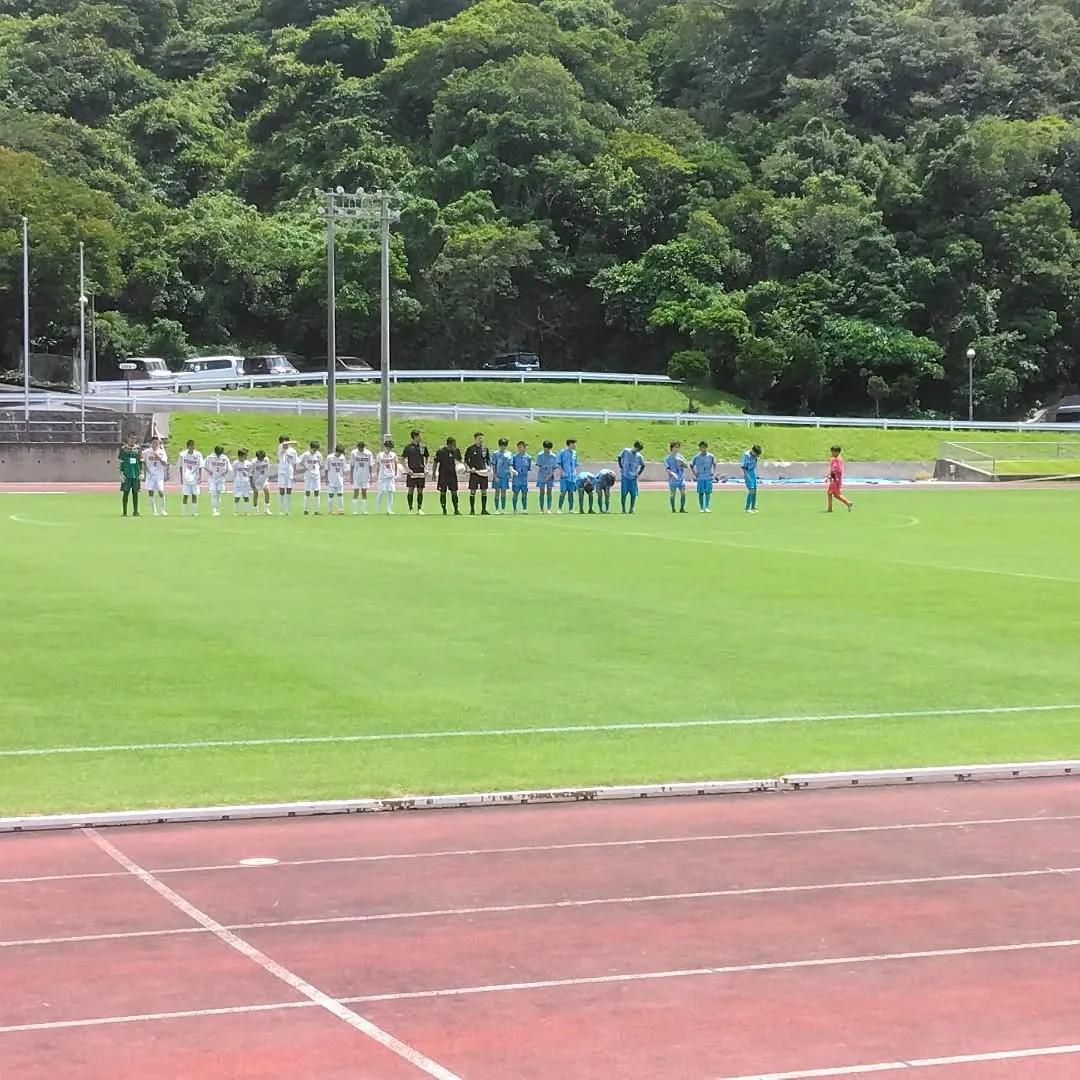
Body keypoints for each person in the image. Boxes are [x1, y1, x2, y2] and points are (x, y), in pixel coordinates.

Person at [433, 436, 462, 515]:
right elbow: (435, 462)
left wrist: (462, 467)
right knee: (443, 492)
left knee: (454, 492)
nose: (455, 446)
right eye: (454, 444)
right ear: (449, 444)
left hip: (453, 475)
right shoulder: (441, 451)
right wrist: (433, 474)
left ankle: (456, 510)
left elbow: (459, 460)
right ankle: (444, 510)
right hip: (443, 475)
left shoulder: (456, 451)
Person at [402, 429, 429, 515]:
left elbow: (427, 457)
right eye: (420, 436)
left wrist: (426, 467)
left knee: (420, 490)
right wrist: (407, 469)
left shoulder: (423, 447)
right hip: (412, 472)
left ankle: (419, 508)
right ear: (415, 437)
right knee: (411, 489)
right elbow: (402, 459)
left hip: (421, 471)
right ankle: (410, 508)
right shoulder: (408, 447)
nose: (421, 437)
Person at [464, 431, 491, 516]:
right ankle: (472, 510)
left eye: (482, 438)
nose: (481, 440)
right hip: (474, 473)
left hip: (483, 472)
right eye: (479, 438)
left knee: (484, 491)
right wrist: (470, 467)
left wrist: (488, 466)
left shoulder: (485, 449)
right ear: (475, 439)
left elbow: (488, 459)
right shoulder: (471, 449)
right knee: (473, 491)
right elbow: (466, 459)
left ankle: (484, 509)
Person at [142, 436, 169, 517]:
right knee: (151, 492)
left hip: (159, 475)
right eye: (154, 442)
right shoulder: (147, 452)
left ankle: (163, 510)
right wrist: (145, 471)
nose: (155, 444)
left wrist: (159, 458)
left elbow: (165, 464)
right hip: (150, 475)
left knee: (161, 492)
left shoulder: (162, 452)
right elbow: (142, 460)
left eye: (157, 442)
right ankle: (154, 511)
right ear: (151, 443)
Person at [617, 440, 645, 514]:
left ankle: (631, 509)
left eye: (639, 450)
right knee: (624, 493)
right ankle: (623, 509)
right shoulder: (626, 451)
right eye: (637, 449)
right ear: (634, 446)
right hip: (625, 475)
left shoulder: (639, 456)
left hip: (633, 477)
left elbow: (643, 465)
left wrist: (638, 473)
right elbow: (619, 457)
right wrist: (620, 466)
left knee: (633, 493)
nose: (637, 451)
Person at [178, 439, 205, 516]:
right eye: (190, 447)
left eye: (193, 446)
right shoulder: (182, 455)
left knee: (194, 495)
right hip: (186, 478)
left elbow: (200, 467)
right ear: (187, 447)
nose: (192, 448)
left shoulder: (198, 455)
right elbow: (180, 466)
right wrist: (181, 477)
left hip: (195, 478)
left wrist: (200, 477)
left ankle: (194, 512)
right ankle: (183, 512)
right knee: (185, 495)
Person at [118, 433, 142, 518]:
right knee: (125, 493)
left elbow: (140, 462)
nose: (133, 440)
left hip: (135, 474)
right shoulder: (123, 449)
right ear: (128, 438)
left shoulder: (138, 449)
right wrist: (121, 473)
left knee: (135, 493)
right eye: (131, 438)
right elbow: (121, 462)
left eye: (134, 439)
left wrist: (141, 472)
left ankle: (135, 511)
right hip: (127, 474)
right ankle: (124, 512)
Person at [691, 440, 717, 513]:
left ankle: (707, 507)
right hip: (700, 477)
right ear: (700, 448)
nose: (703, 449)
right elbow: (691, 465)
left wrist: (713, 472)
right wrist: (695, 473)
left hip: (708, 477)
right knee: (701, 492)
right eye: (702, 447)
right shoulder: (696, 457)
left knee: (708, 492)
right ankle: (702, 507)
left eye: (704, 447)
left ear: (706, 448)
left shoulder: (710, 456)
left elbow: (714, 464)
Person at [205, 445, 231, 516]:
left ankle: (217, 509)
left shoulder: (224, 458)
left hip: (220, 478)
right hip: (212, 478)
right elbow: (204, 466)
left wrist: (224, 473)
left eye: (220, 453)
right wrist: (209, 471)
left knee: (218, 494)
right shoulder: (210, 457)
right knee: (213, 494)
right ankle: (214, 510)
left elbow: (229, 468)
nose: (219, 454)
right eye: (218, 453)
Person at [299, 440, 323, 515]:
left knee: (317, 492)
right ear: (311, 448)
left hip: (316, 476)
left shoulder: (319, 455)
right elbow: (299, 461)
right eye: (314, 449)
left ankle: (317, 510)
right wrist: (305, 467)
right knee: (307, 492)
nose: (315, 450)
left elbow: (320, 463)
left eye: (317, 449)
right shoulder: (306, 454)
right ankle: (306, 510)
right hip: (308, 475)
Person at [350, 441, 374, 515]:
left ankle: (364, 510)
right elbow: (352, 465)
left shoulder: (368, 453)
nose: (361, 450)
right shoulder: (354, 453)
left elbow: (370, 465)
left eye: (362, 448)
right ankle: (354, 510)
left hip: (365, 475)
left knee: (364, 492)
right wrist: (351, 476)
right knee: (356, 492)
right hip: (356, 475)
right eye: (359, 448)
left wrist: (371, 476)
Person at [827, 444, 853, 512]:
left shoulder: (836, 460)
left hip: (835, 480)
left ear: (837, 452)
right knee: (834, 494)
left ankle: (847, 503)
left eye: (833, 452)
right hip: (836, 479)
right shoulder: (838, 459)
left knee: (832, 493)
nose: (832, 453)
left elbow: (836, 469)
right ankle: (847, 503)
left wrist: (831, 476)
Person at [277, 435, 299, 515]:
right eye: (283, 441)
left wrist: (295, 474)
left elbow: (295, 463)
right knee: (282, 490)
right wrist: (292, 442)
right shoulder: (280, 448)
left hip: (290, 472)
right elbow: (284, 445)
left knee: (289, 491)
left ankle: (288, 510)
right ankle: (281, 510)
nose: (285, 443)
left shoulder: (293, 451)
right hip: (282, 472)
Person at [376, 437, 398, 514]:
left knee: (390, 492)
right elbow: (378, 465)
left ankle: (389, 509)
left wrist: (395, 473)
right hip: (382, 476)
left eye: (390, 448)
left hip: (390, 476)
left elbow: (395, 464)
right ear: (384, 447)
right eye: (387, 448)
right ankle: (378, 508)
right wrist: (377, 475)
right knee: (381, 492)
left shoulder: (393, 455)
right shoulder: (380, 455)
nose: (388, 449)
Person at [556, 438, 578, 514]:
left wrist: (575, 471)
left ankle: (571, 509)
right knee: (563, 491)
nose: (575, 445)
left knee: (571, 492)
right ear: (569, 444)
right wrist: (562, 471)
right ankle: (559, 508)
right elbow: (558, 463)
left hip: (572, 476)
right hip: (565, 475)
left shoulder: (575, 453)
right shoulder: (563, 452)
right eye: (573, 443)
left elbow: (575, 464)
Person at [665, 441, 688, 513]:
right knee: (673, 493)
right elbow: (667, 469)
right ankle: (673, 508)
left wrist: (682, 461)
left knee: (683, 492)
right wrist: (672, 474)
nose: (677, 449)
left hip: (681, 477)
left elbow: (686, 466)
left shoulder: (680, 456)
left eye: (678, 447)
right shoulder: (668, 458)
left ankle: (682, 508)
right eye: (675, 447)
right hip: (673, 479)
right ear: (672, 448)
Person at [491, 437, 513, 514]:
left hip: (505, 475)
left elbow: (510, 464)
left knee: (504, 492)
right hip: (498, 475)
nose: (502, 447)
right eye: (501, 445)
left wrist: (511, 471)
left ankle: (503, 508)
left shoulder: (509, 454)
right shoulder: (495, 454)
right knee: (497, 492)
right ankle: (496, 509)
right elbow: (493, 465)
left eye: (504, 445)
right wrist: (495, 475)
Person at [535, 439, 557, 514]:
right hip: (542, 475)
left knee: (549, 491)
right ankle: (541, 509)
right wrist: (544, 475)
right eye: (546, 448)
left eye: (549, 448)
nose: (547, 449)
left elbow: (554, 467)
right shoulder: (540, 455)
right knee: (541, 491)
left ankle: (549, 508)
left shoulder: (553, 456)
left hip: (550, 475)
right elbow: (540, 466)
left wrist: (550, 475)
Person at [326, 444, 348, 515]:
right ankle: (330, 510)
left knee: (340, 494)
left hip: (339, 479)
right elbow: (326, 469)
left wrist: (344, 478)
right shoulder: (329, 457)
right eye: (339, 453)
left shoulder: (343, 458)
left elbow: (344, 468)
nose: (340, 454)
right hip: (331, 479)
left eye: (341, 453)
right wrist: (326, 479)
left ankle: (340, 510)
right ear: (336, 451)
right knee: (331, 495)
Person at [511, 440, 531, 513]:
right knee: (515, 493)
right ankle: (514, 508)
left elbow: (528, 467)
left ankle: (524, 509)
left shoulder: (528, 457)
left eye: (521, 447)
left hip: (524, 478)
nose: (520, 449)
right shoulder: (515, 457)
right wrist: (514, 471)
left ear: (524, 448)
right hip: (517, 478)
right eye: (519, 447)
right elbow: (512, 466)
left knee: (524, 493)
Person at [232, 447, 253, 515]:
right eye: (245, 455)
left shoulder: (248, 463)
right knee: (237, 497)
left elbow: (250, 472)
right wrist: (236, 480)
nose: (246, 457)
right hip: (238, 482)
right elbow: (234, 473)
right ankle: (236, 511)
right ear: (240, 455)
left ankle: (246, 511)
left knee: (246, 496)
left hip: (246, 482)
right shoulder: (235, 463)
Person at [742, 444, 761, 513]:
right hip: (747, 472)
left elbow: (755, 464)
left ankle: (753, 507)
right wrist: (747, 476)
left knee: (755, 490)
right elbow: (743, 467)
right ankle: (747, 508)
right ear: (753, 451)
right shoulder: (746, 455)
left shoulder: (755, 457)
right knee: (751, 490)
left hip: (752, 472)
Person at [252, 449, 272, 514]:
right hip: (256, 480)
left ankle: (267, 509)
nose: (262, 459)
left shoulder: (266, 459)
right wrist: (252, 483)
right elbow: (250, 473)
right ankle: (255, 510)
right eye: (260, 458)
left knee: (267, 491)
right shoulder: (253, 462)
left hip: (264, 480)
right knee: (256, 494)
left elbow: (267, 468)